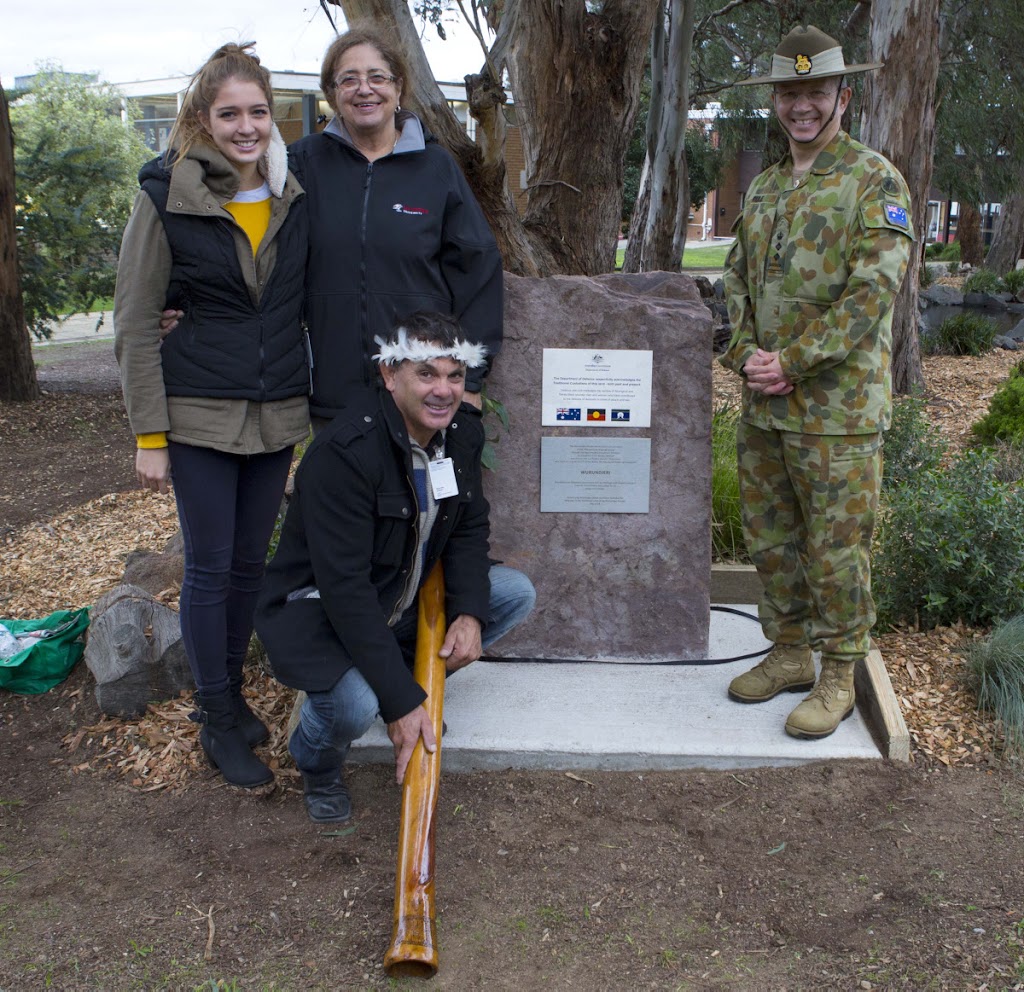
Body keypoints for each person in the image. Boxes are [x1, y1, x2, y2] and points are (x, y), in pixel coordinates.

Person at [114, 43, 310, 788]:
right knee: (210, 567)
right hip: (196, 413)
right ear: (202, 118)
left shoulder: (293, 192)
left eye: (257, 111)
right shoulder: (167, 195)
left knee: (249, 567)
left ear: (273, 117)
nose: (246, 126)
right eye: (229, 113)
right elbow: (135, 321)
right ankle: (217, 716)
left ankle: (227, 697)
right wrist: (149, 434)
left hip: (274, 413)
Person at [254, 312, 535, 823]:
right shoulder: (345, 455)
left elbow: (468, 531)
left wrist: (470, 613)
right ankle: (316, 760)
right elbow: (345, 592)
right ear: (389, 376)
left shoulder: (460, 438)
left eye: (454, 376)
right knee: (355, 707)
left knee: (512, 593)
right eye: (426, 374)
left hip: (398, 600)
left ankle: (394, 676)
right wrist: (403, 704)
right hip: (327, 613)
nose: (443, 390)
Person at [719, 25, 915, 739]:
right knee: (773, 541)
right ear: (777, 100)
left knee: (836, 549)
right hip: (766, 410)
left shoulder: (873, 180)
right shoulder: (767, 185)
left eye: (816, 92)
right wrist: (743, 352)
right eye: (791, 93)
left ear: (843, 95)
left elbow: (872, 294)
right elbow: (736, 280)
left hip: (836, 414)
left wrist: (789, 361)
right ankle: (791, 653)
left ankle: (838, 673)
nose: (803, 106)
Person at [288, 23, 503, 424]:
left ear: (398, 87)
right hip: (332, 391)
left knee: (419, 488)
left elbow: (478, 269)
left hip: (421, 391)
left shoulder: (436, 168)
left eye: (376, 77)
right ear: (332, 93)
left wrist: (470, 379)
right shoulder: (303, 164)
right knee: (340, 487)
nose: (363, 89)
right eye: (348, 79)